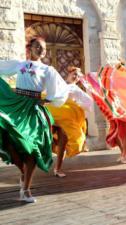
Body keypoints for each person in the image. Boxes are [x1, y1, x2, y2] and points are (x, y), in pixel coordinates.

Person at [0, 37, 69, 202]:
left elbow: (61, 88)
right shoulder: (20, 64)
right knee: (11, 142)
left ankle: (26, 190)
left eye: (43, 48)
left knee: (32, 149)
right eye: (38, 46)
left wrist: (48, 98)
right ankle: (23, 172)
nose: (41, 50)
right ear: (30, 48)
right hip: (17, 106)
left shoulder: (48, 70)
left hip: (34, 109)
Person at [47, 66, 93, 177]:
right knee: (46, 138)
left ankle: (57, 169)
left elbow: (88, 102)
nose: (75, 77)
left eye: (78, 75)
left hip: (65, 121)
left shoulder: (76, 89)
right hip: (53, 115)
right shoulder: (59, 85)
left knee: (63, 144)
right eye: (74, 74)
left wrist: (77, 105)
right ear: (69, 74)